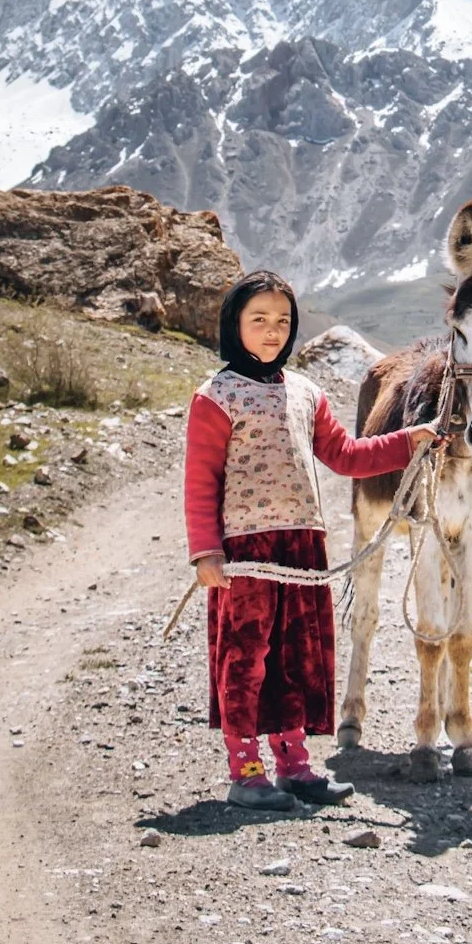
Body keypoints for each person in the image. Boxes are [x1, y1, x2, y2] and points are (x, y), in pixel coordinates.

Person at [184, 270, 438, 811]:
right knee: (246, 658)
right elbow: (201, 479)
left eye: (282, 321)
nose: (272, 331)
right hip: (245, 552)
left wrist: (405, 442)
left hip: (302, 548)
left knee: (297, 658)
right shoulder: (215, 397)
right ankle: (245, 772)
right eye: (259, 320)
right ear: (234, 325)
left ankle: (295, 766)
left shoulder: (307, 394)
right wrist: (206, 550)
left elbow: (347, 455)